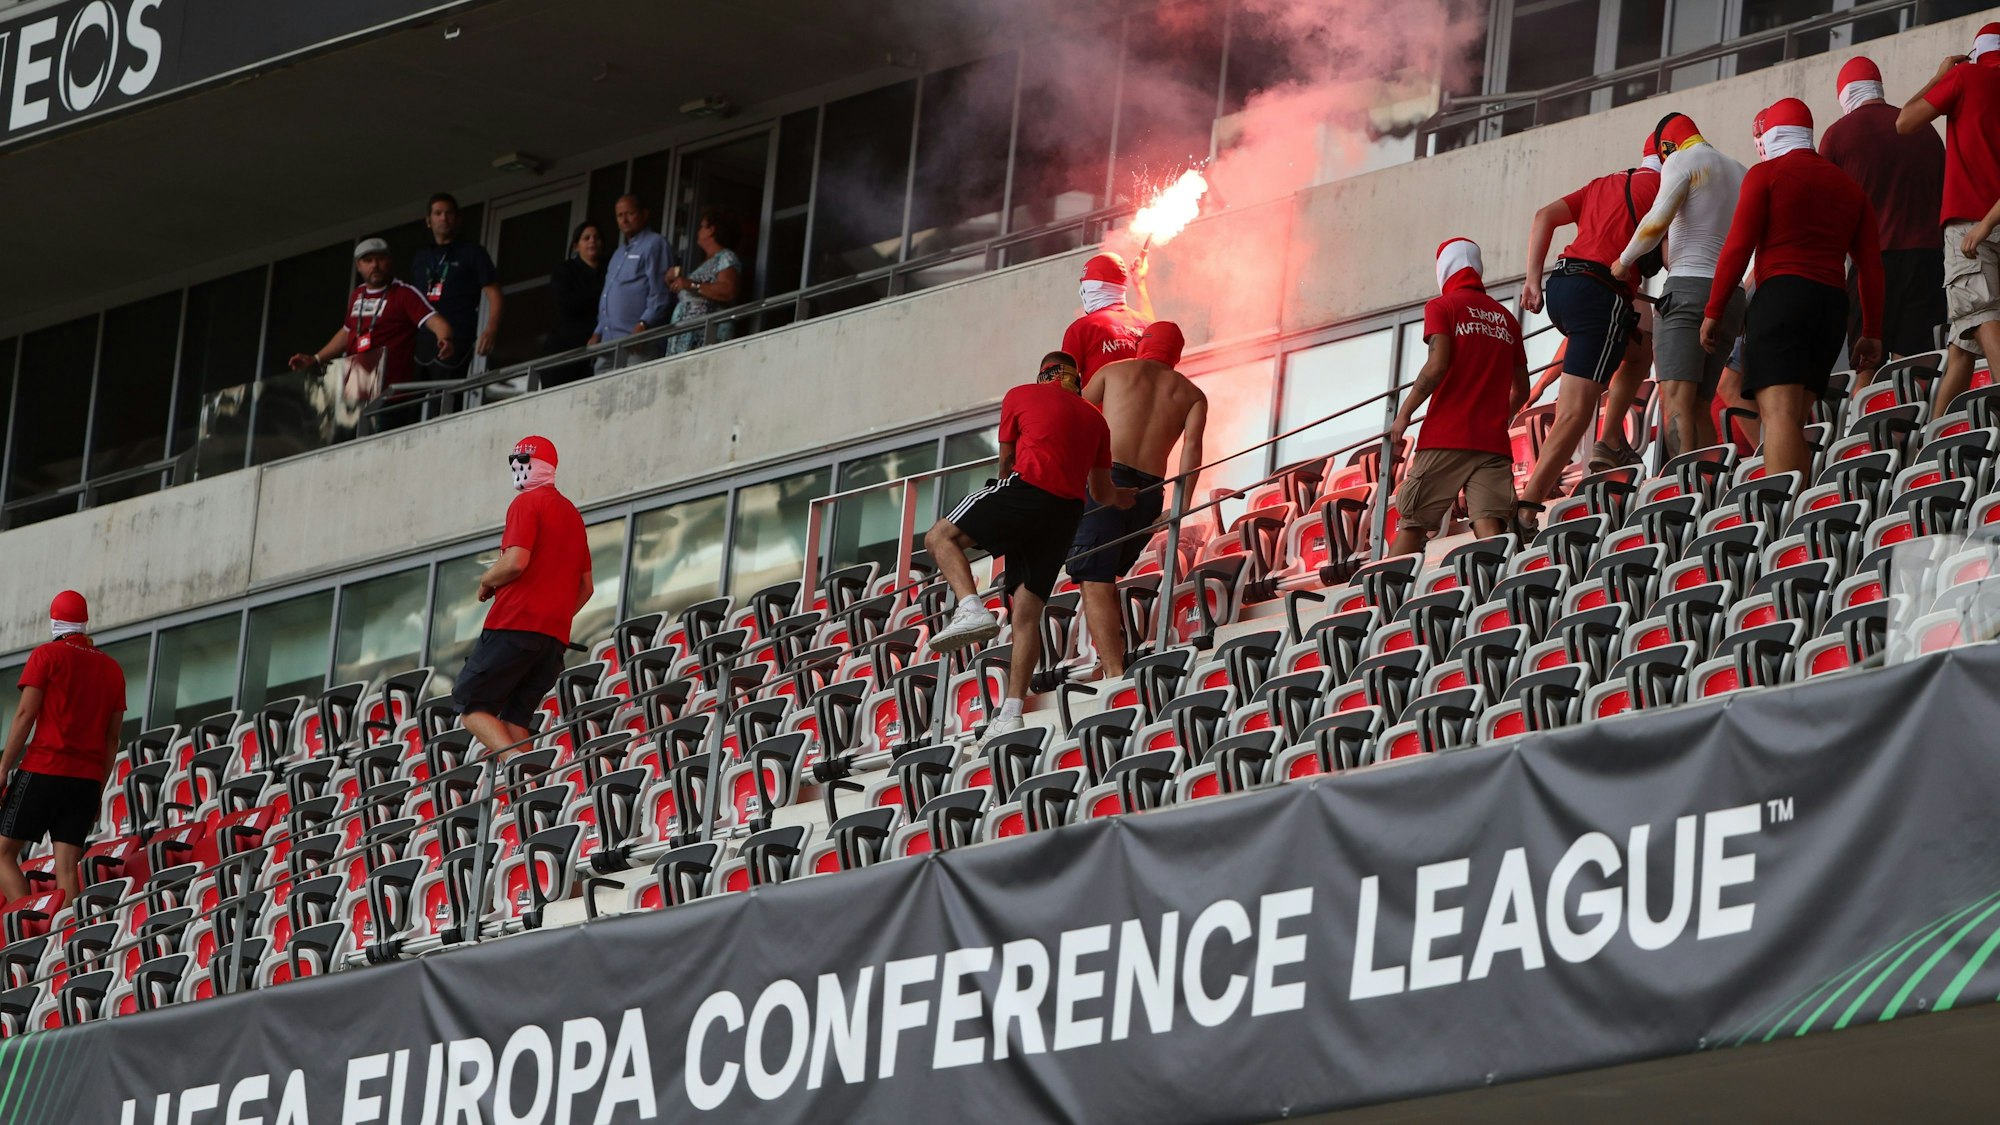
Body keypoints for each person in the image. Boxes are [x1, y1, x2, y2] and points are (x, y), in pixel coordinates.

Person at [924, 352, 1135, 737]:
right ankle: (1012, 712)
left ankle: (971, 607)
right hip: (1065, 513)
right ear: (1077, 378)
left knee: (939, 536)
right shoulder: (1095, 419)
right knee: (1026, 613)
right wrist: (1125, 498)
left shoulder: (1020, 395)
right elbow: (1102, 492)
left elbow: (1005, 465)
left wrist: (1007, 504)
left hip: (1027, 490)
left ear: (1043, 375)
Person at [1704, 99, 1884, 479]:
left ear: (1770, 135)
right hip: (1831, 306)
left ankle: (1788, 523)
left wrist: (1715, 311)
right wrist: (1871, 332)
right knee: (1793, 420)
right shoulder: (1850, 189)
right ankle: (1798, 512)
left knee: (1779, 416)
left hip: (1782, 296)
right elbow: (1871, 268)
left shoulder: (1767, 173)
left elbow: (1738, 247)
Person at [1517, 144, 1660, 525]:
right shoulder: (1666, 186)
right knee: (1576, 411)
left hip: (1560, 287)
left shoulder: (1604, 183)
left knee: (1638, 351)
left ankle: (1610, 440)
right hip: (1600, 291)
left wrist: (1532, 280)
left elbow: (1544, 215)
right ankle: (1526, 508)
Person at [1067, 321, 1207, 679]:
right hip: (1148, 495)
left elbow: (1071, 418)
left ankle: (1114, 671)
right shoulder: (1192, 394)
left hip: (1109, 480)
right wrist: (1181, 505)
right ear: (1176, 354)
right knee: (1105, 573)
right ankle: (1109, 659)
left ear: (1141, 345)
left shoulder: (1114, 371)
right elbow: (1192, 451)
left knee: (1093, 576)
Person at [1612, 113, 1748, 459]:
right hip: (1730, 296)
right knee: (1700, 404)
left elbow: (1656, 221)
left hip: (1689, 287)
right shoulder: (1739, 169)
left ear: (1666, 147)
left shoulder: (1682, 161)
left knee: (1675, 401)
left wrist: (1624, 261)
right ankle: (1710, 492)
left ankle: (1687, 488)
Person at [452, 436, 593, 760]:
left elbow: (516, 561)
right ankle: (529, 792)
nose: (517, 468)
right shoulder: (572, 515)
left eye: (523, 462)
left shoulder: (526, 503)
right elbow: (586, 587)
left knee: (471, 704)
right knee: (516, 718)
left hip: (514, 625)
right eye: (513, 462)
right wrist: (554, 618)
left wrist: (487, 580)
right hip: (553, 640)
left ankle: (515, 768)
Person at [1388, 239, 1531, 556]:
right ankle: (1498, 597)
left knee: (1413, 523)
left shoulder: (1442, 307)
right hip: (1492, 442)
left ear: (1444, 269)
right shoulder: (1506, 318)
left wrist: (1404, 414)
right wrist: (1497, 419)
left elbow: (1436, 365)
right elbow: (1522, 389)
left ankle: (1380, 601)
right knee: (1491, 526)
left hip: (1447, 436)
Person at [1898, 26, 2000, 417]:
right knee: (1961, 346)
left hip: (1969, 225)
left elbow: (1904, 122)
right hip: (1992, 219)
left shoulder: (1964, 77)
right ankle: (1931, 438)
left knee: (1981, 313)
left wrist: (1938, 77)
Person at [0, 591, 125, 902]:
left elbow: (26, 714)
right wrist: (98, 790)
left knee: (2, 855)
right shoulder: (113, 670)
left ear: (54, 621)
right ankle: (64, 940)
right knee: (66, 869)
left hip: (45, 769)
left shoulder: (46, 656)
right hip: (85, 780)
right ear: (84, 623)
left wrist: (3, 768)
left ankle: (30, 930)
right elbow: (112, 740)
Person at [1823, 56, 1946, 367]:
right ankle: (1915, 414)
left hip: (1872, 265)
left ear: (1844, 94)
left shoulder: (1839, 134)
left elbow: (1821, 210)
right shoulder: (1924, 129)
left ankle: (1864, 414)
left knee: (1865, 362)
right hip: (1929, 258)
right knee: (1917, 362)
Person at [289, 238, 452, 395]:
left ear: (389, 261)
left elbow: (435, 320)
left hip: (390, 392)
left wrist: (445, 339)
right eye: (368, 260)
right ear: (358, 265)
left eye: (380, 259)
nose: (375, 265)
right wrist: (316, 358)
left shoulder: (404, 293)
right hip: (357, 389)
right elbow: (347, 332)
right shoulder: (357, 294)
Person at [410, 193, 502, 380]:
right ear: (428, 221)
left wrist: (490, 329)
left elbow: (494, 294)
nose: (443, 218)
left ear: (457, 218)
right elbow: (411, 302)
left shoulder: (472, 253)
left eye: (449, 213)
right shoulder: (421, 257)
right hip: (422, 337)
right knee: (410, 400)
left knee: (445, 398)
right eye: (438, 213)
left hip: (457, 334)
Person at [589, 195, 677, 371]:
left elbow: (660, 294)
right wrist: (597, 332)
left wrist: (643, 325)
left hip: (638, 341)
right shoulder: (618, 254)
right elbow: (609, 294)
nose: (624, 219)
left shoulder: (654, 243)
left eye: (630, 213)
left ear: (644, 214)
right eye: (619, 215)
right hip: (609, 342)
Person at [1060, 252, 1155, 385]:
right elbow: (1150, 325)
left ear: (1095, 283)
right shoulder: (1147, 324)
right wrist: (1140, 284)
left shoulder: (1082, 328)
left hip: (1100, 406)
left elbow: (1063, 385)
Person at [666, 208, 745, 355]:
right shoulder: (707, 263)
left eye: (702, 226)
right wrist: (675, 282)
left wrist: (690, 284)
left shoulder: (726, 257)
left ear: (711, 230)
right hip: (685, 339)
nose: (698, 231)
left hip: (705, 337)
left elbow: (728, 290)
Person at [543, 221, 608, 388]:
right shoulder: (565, 270)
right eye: (586, 238)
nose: (592, 241)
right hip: (564, 351)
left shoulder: (609, 271)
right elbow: (564, 304)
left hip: (596, 350)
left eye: (596, 238)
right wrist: (601, 294)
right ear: (576, 246)